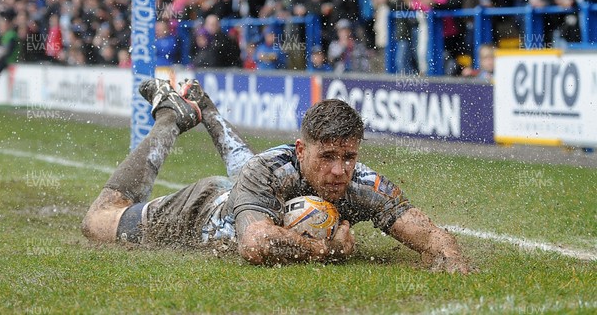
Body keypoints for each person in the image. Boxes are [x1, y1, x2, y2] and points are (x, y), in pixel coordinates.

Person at [82, 78, 474, 273]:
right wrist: (328, 250)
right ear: (303, 149)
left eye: (349, 157)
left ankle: (207, 111)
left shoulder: (360, 182)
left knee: (263, 179)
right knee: (100, 219)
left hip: (257, 192)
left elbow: (425, 230)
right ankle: (170, 119)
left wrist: (450, 257)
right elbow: (254, 245)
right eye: (328, 156)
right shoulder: (269, 169)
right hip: (203, 211)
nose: (339, 170)